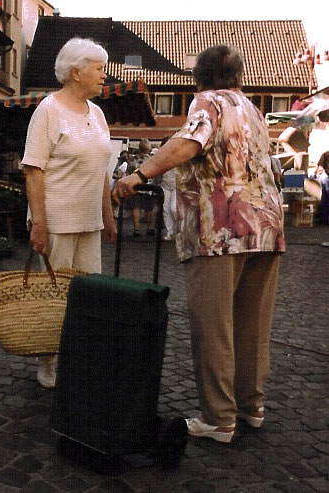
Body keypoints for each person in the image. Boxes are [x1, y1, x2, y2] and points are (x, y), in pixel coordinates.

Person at [113, 45, 285, 443]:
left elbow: (189, 143)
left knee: (214, 326)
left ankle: (219, 418)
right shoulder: (254, 110)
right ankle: (251, 407)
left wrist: (138, 176)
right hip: (267, 226)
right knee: (253, 324)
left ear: (200, 78)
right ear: (238, 75)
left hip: (220, 231)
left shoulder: (207, 102)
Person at [22, 37, 117, 389]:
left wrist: (107, 217)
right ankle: (47, 361)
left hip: (89, 221)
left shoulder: (98, 113)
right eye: (99, 69)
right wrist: (40, 224)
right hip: (58, 221)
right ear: (76, 72)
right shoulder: (49, 109)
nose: (104, 76)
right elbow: (33, 169)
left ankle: (76, 358)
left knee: (88, 296)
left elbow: (103, 169)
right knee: (54, 296)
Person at [126, 139, 156, 236]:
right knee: (149, 208)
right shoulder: (152, 158)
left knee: (136, 207)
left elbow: (128, 171)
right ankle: (150, 228)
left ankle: (137, 230)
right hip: (149, 186)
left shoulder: (133, 159)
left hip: (136, 185)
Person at [157, 137, 177, 241]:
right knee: (166, 209)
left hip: (176, 186)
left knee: (174, 208)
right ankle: (169, 232)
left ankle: (178, 230)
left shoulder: (178, 155)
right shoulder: (161, 156)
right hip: (165, 185)